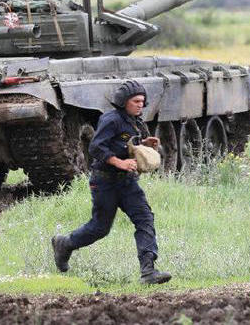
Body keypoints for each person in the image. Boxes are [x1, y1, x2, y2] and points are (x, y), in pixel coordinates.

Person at [51, 80, 172, 285]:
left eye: (142, 101)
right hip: (104, 182)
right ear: (124, 102)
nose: (140, 105)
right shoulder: (111, 120)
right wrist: (120, 163)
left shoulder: (136, 121)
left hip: (127, 183)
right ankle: (65, 244)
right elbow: (96, 148)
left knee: (145, 219)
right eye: (136, 101)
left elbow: (127, 144)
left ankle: (148, 272)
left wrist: (144, 144)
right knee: (100, 228)